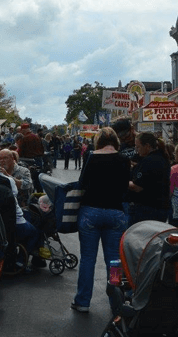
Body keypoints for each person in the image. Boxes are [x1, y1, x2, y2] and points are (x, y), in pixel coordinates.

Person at [71, 127, 130, 313]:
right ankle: (116, 301)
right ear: (115, 141)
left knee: (88, 258)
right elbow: (125, 186)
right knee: (114, 261)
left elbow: (82, 184)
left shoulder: (92, 156)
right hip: (116, 212)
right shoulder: (124, 159)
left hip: (91, 211)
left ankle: (82, 301)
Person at [127, 132, 171, 226]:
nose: (136, 150)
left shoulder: (148, 161)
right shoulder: (163, 158)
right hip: (162, 207)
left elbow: (138, 187)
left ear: (147, 146)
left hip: (146, 209)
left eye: (138, 147)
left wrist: (122, 181)